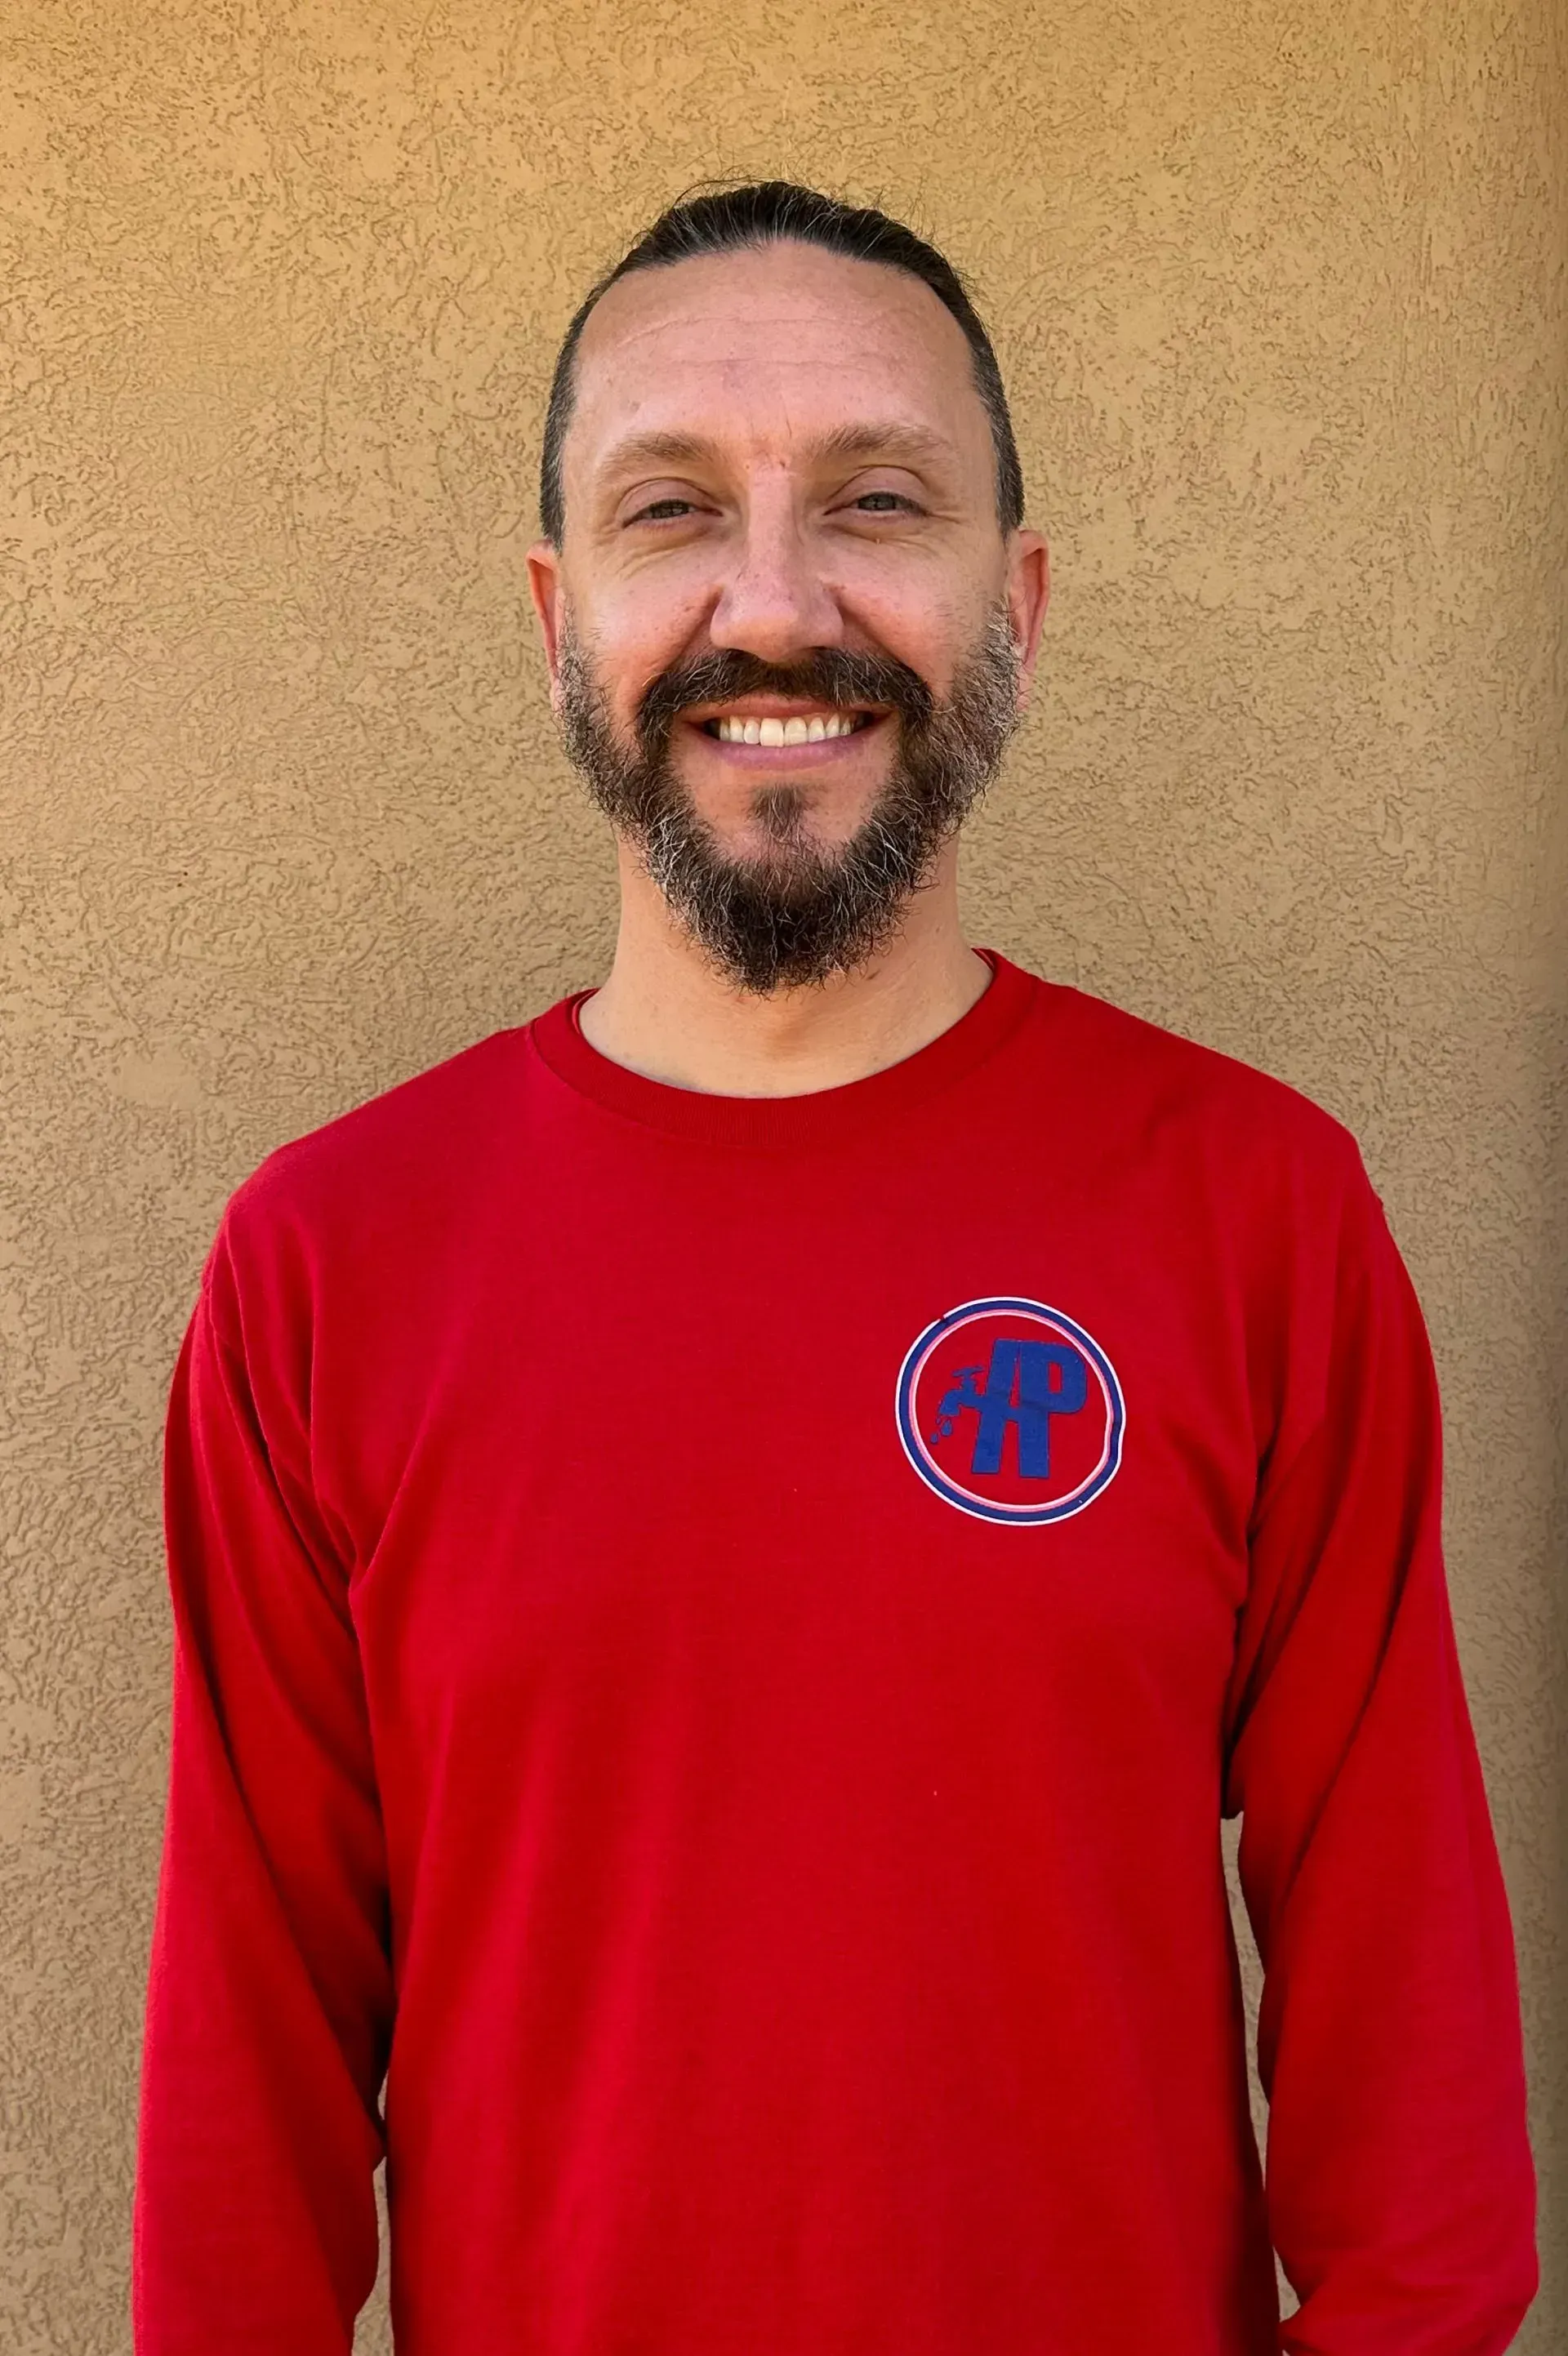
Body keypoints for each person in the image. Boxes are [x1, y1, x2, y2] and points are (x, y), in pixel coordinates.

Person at [131, 180, 1537, 2355]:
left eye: (879, 500)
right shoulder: (328, 1266)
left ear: (1016, 604)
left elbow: (1410, 2073)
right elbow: (250, 2099)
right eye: (672, 508)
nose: (773, 603)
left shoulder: (1256, 1213)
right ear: (556, 613)